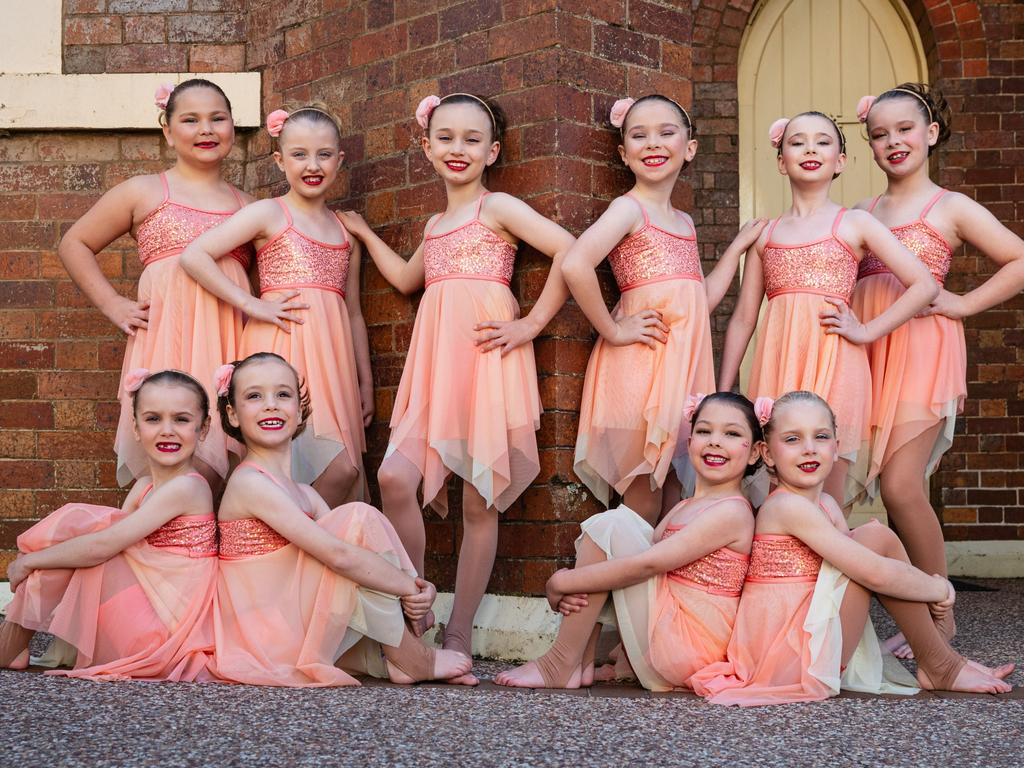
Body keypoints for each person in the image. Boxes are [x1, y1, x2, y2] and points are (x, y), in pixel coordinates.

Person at [338, 92, 575, 683]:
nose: (458, 149)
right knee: (396, 477)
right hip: (436, 366)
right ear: (426, 146)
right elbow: (405, 277)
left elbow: (569, 249)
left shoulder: (499, 208)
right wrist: (365, 234)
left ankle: (461, 630)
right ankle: (415, 618)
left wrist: (531, 323)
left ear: (492, 151)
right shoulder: (436, 224)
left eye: (472, 139)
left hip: (488, 362)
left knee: (478, 497)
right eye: (446, 137)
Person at [691, 391, 1014, 706]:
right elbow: (872, 572)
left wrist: (925, 590)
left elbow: (867, 580)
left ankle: (940, 657)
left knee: (875, 541)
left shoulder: (827, 505)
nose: (808, 449)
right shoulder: (785, 507)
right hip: (787, 659)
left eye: (820, 437)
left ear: (836, 448)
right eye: (792, 440)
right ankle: (940, 660)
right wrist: (938, 587)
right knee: (874, 540)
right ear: (767, 453)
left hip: (810, 643)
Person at [852, 84, 1024, 656]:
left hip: (922, 347)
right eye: (880, 134)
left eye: (904, 129)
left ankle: (939, 610)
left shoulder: (949, 206)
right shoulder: (864, 212)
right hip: (868, 347)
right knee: (861, 480)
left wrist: (964, 303)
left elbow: (1019, 258)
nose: (892, 141)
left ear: (930, 133)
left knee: (901, 485)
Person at [207, 353, 471, 686]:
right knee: (357, 518)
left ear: (300, 408)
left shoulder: (305, 494)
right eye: (254, 396)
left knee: (359, 531)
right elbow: (339, 555)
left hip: (292, 624)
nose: (271, 405)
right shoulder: (248, 482)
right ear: (232, 413)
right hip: (264, 637)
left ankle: (399, 650)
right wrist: (408, 587)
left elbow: (359, 556)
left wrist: (418, 587)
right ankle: (412, 656)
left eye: (283, 394)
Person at [562, 95, 766, 523]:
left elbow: (698, 301)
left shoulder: (685, 222)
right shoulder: (628, 208)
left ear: (689, 148)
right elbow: (576, 264)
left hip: (680, 373)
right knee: (644, 494)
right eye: (639, 135)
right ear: (624, 153)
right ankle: (626, 583)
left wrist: (735, 250)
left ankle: (659, 588)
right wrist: (614, 330)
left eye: (666, 133)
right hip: (639, 369)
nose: (653, 143)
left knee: (673, 492)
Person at [718, 112, 937, 506]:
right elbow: (744, 318)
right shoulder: (764, 234)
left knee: (825, 492)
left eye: (822, 142)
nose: (810, 149)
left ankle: (831, 562)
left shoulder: (854, 223)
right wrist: (724, 390)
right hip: (778, 364)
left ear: (841, 161)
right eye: (797, 142)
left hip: (836, 366)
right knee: (776, 490)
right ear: (781, 161)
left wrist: (868, 331)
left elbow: (923, 284)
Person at [59, 79, 254, 492]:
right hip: (169, 335)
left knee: (229, 461)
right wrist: (112, 303)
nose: (206, 129)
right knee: (171, 454)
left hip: (226, 339)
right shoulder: (144, 191)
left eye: (218, 119)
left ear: (233, 127)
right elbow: (74, 243)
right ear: (166, 129)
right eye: (190, 120)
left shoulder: (249, 206)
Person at [495, 392, 762, 691]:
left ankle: (560, 662)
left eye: (731, 433)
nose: (715, 441)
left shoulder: (732, 511)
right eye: (704, 431)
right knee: (612, 527)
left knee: (614, 524)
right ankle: (579, 662)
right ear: (689, 443)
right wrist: (576, 580)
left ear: (754, 452)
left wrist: (563, 582)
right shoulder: (683, 507)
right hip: (669, 636)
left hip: (688, 651)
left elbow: (648, 564)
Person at [181, 104, 371, 506]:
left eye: (323, 154)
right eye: (299, 154)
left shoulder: (346, 232)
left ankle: (301, 550)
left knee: (343, 471)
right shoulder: (269, 213)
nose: (312, 165)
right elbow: (195, 255)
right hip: (279, 349)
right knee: (275, 460)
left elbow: (353, 312)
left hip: (331, 360)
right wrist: (251, 304)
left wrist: (364, 381)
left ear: (339, 160)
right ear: (279, 159)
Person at [1, 370, 218, 681]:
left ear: (203, 427)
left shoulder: (189, 488)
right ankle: (13, 642)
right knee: (86, 537)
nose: (167, 430)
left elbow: (103, 546)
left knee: (87, 537)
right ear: (136, 426)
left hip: (165, 632)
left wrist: (29, 562)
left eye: (181, 420)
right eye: (153, 419)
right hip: (146, 612)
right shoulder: (144, 485)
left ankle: (10, 643)